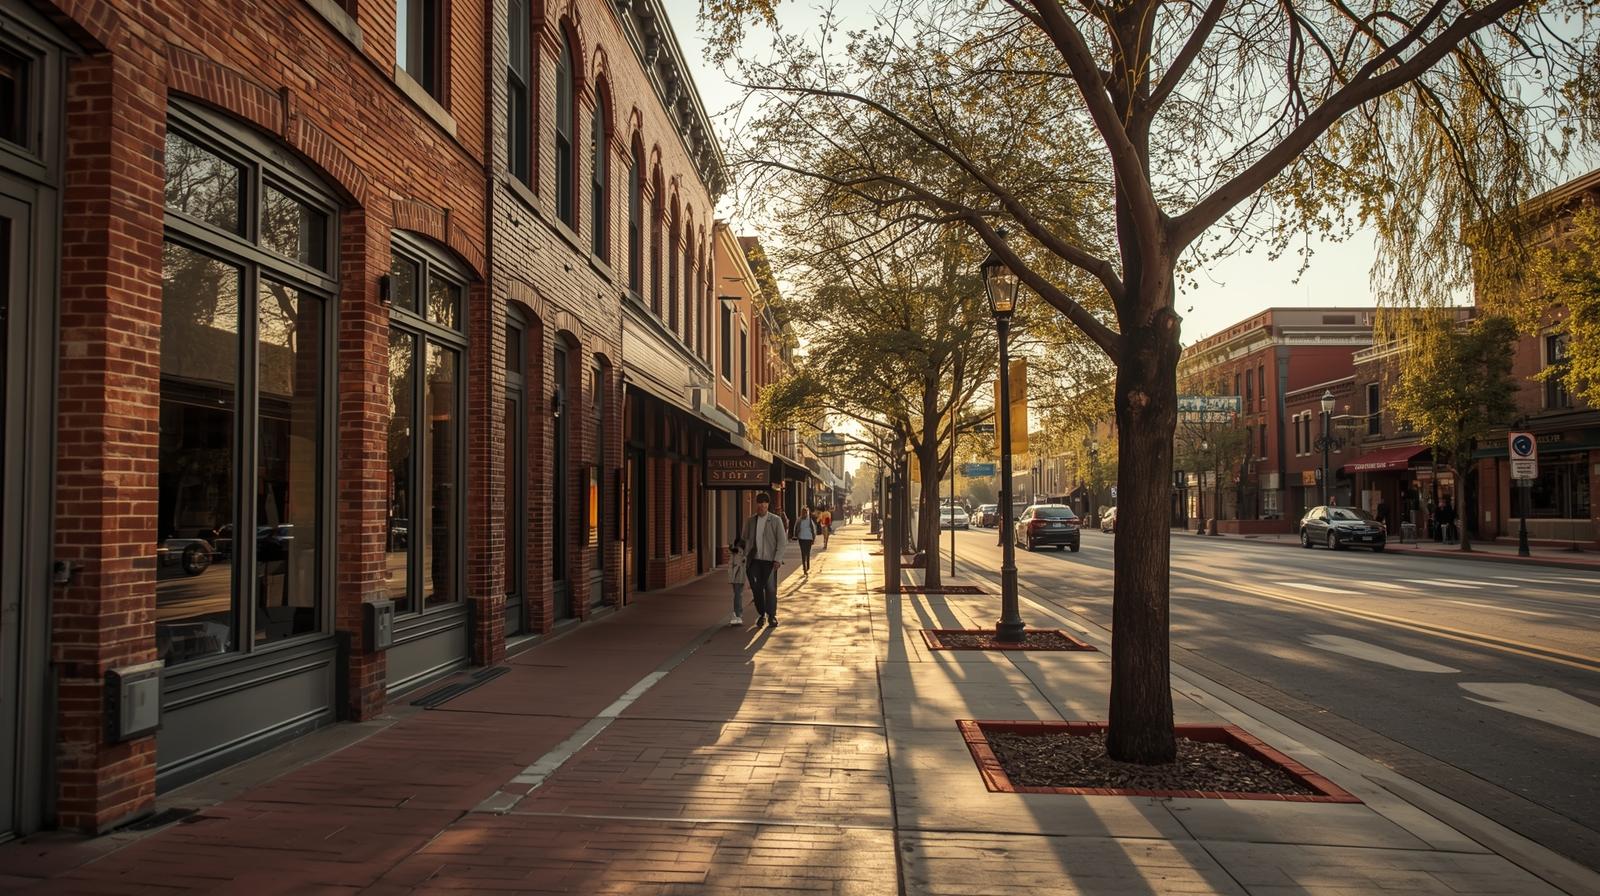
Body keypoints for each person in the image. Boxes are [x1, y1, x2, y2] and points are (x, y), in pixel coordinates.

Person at [741, 493, 788, 627]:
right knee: (756, 588)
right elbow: (744, 539)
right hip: (754, 561)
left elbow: (782, 541)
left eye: (765, 503)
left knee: (770, 589)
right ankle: (761, 614)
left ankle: (772, 616)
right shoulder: (750, 521)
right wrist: (742, 552)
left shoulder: (776, 520)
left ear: (768, 505)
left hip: (770, 561)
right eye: (760, 502)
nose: (762, 505)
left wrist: (777, 559)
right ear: (756, 505)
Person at [726, 539, 749, 626]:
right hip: (737, 577)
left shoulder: (739, 553)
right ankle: (738, 614)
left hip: (739, 577)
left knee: (738, 595)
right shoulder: (737, 553)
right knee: (738, 595)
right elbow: (731, 566)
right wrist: (731, 578)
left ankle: (738, 614)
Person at [793, 506, 819, 575]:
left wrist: (795, 535)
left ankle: (805, 567)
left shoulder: (801, 520)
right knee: (807, 552)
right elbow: (813, 529)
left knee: (804, 553)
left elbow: (795, 528)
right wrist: (813, 538)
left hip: (803, 538)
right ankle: (806, 566)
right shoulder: (806, 520)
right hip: (807, 538)